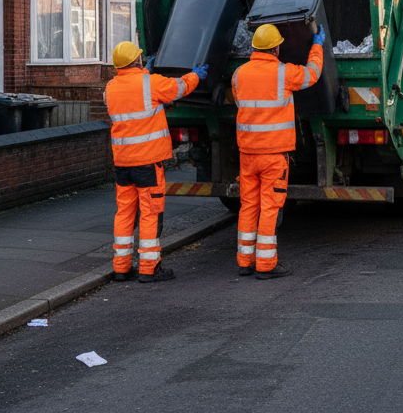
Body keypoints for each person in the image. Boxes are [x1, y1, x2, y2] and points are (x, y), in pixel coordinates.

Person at [105, 41, 206, 283]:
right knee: (150, 212)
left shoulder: (110, 87)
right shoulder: (150, 84)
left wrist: (146, 73)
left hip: (122, 162)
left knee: (125, 213)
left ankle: (121, 267)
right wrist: (196, 76)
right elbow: (177, 88)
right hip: (148, 162)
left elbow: (133, 97)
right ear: (138, 61)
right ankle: (149, 268)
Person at [231, 22, 324, 279]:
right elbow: (312, 74)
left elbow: (241, 101)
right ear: (277, 48)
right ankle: (266, 264)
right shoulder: (284, 73)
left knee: (248, 205)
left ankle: (245, 261)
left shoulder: (239, 74)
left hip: (248, 154)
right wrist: (316, 47)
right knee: (270, 206)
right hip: (273, 155)